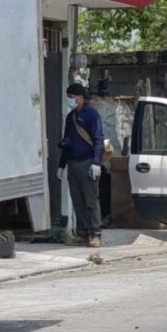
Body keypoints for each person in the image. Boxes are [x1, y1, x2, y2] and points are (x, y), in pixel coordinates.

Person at [57, 83, 104, 247]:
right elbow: (67, 143)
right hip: (73, 163)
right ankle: (82, 234)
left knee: (91, 200)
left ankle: (95, 234)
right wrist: (61, 165)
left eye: (72, 97)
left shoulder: (91, 114)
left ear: (81, 97)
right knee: (77, 201)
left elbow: (98, 139)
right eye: (68, 97)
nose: (70, 100)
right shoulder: (70, 117)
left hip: (88, 163)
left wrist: (96, 162)